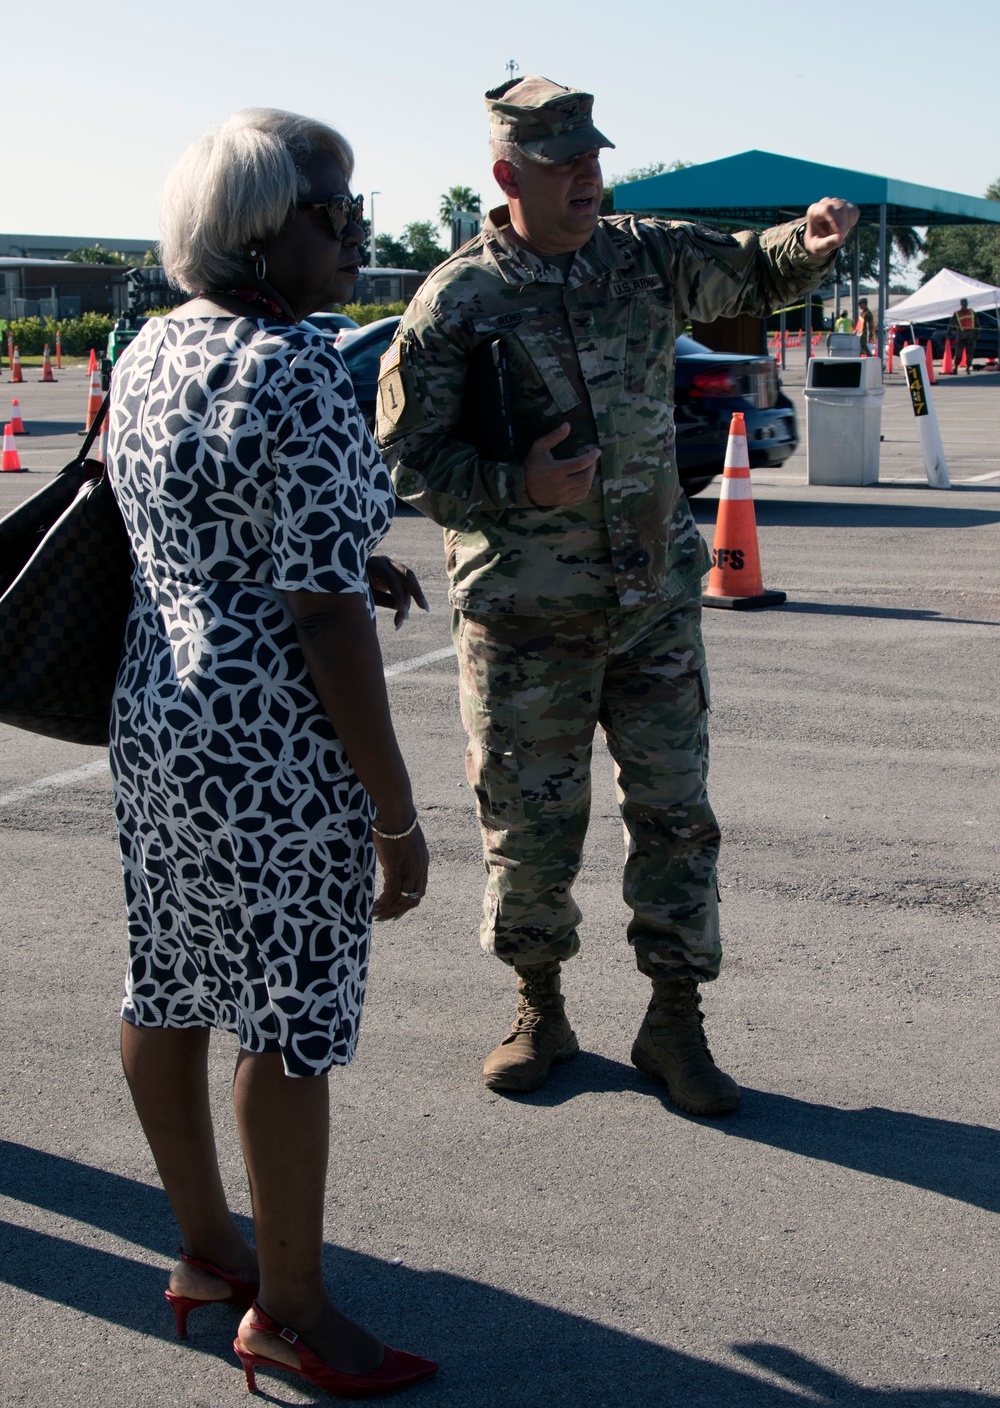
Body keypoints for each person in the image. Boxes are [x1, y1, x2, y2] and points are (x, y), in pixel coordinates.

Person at [376, 76, 859, 1116]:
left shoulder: (640, 255)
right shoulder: (458, 299)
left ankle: (673, 1021)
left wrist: (812, 242)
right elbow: (410, 458)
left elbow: (746, 273)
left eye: (591, 156)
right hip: (523, 616)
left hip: (653, 610)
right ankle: (537, 1004)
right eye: (560, 164)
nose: (585, 174)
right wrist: (517, 486)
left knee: (677, 816)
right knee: (528, 825)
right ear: (508, 176)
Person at [107, 109, 437, 1398]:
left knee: (168, 981)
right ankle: (292, 1312)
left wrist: (351, 549)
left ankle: (206, 1253)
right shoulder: (298, 366)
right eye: (333, 212)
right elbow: (320, 616)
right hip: (276, 748)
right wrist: (394, 817)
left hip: (159, 721)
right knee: (290, 1020)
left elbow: (219, 516)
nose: (356, 234)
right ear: (261, 229)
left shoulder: (149, 347)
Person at [947, 297, 978, 373]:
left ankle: (968, 368)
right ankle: (956, 367)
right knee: (958, 354)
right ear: (961, 304)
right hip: (961, 336)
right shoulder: (957, 314)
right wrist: (948, 334)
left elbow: (977, 323)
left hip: (971, 336)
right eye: (963, 304)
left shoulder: (971, 312)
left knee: (970, 353)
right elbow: (951, 324)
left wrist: (977, 333)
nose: (965, 305)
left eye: (966, 304)